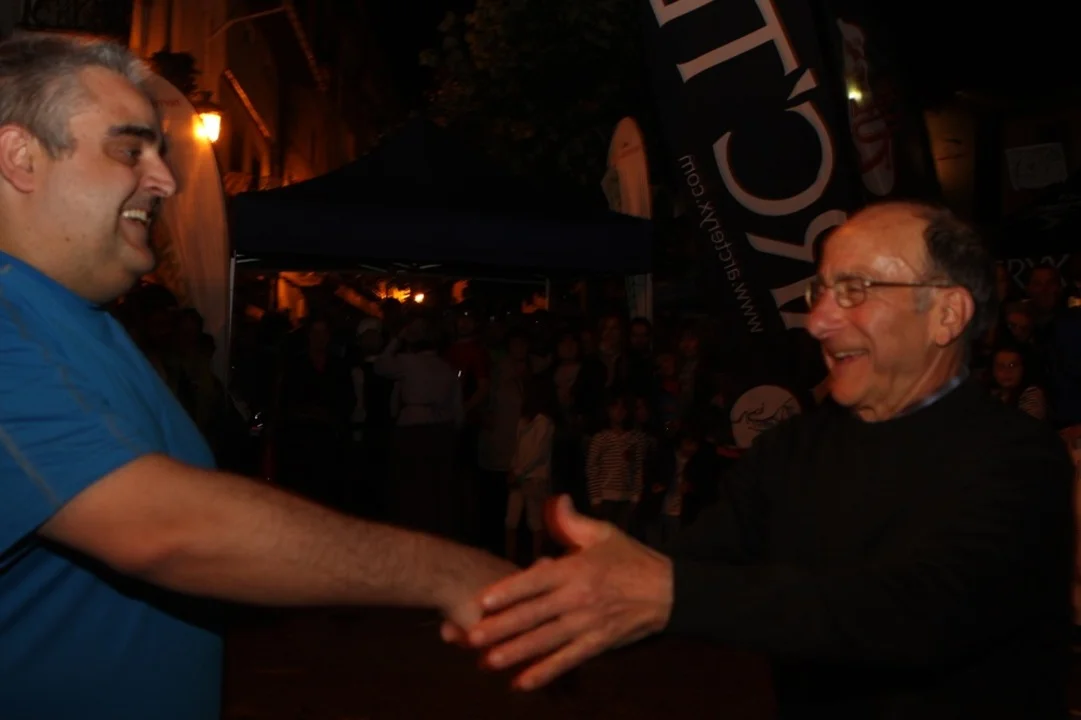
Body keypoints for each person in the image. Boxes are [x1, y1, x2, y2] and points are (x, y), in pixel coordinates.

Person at [0, 36, 512, 720]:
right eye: (129, 150)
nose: (165, 180)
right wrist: (453, 574)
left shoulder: (78, 320)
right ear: (20, 157)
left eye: (160, 152)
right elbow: (165, 527)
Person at [451, 201, 1076, 718]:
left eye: (855, 291)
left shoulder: (1019, 458)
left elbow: (917, 613)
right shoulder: (791, 449)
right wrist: (565, 601)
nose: (819, 321)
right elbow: (688, 565)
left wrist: (671, 592)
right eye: (820, 291)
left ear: (946, 314)